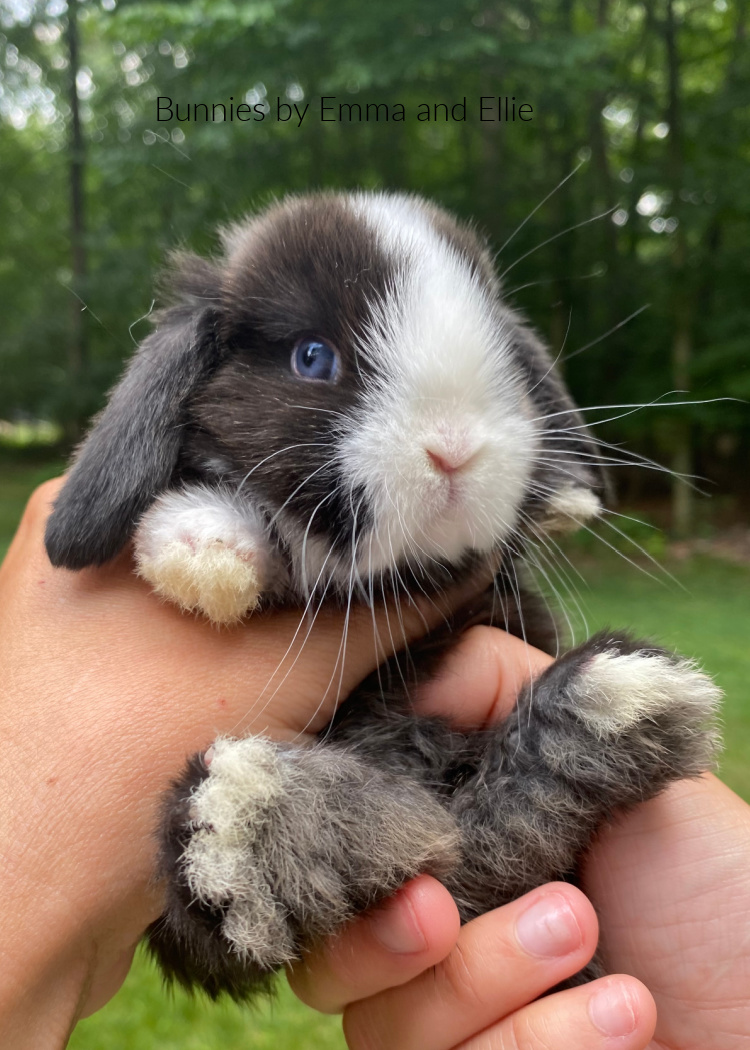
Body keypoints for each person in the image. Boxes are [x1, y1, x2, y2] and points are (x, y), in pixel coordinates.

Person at [1, 479, 748, 1050]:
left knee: (412, 890)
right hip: (304, 783)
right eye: (312, 359)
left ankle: (565, 752)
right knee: (245, 837)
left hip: (456, 745)